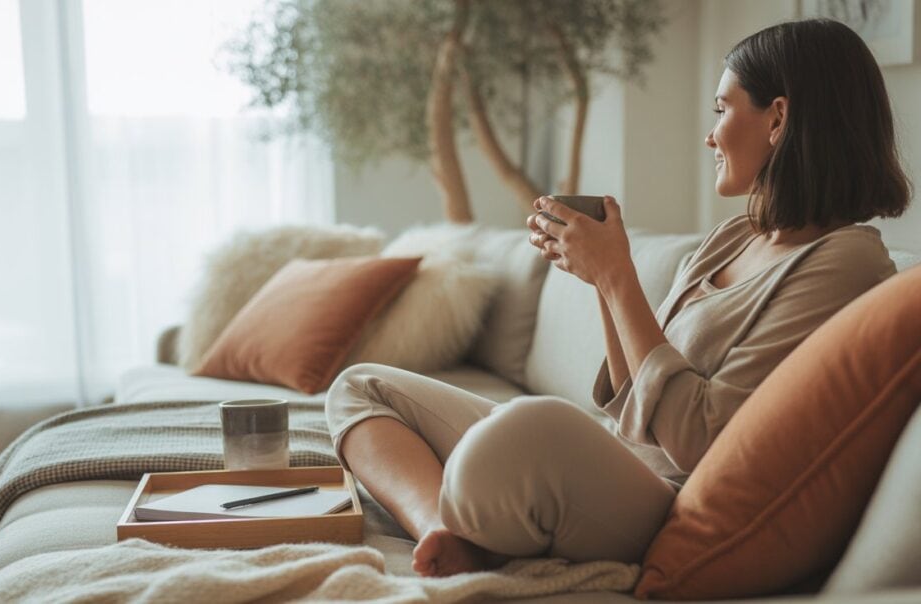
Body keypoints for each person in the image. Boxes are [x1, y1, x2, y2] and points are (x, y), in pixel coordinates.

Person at [325, 18, 911, 578]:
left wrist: (617, 278)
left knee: (526, 429)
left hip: (666, 503)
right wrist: (602, 280)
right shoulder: (738, 234)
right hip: (620, 461)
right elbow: (634, 401)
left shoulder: (845, 263)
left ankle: (477, 517)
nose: (710, 133)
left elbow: (703, 441)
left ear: (778, 119)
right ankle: (441, 534)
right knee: (360, 386)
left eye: (723, 108)